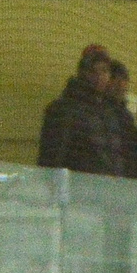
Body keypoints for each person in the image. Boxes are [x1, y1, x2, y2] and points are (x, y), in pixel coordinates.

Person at [38, 47, 125, 176]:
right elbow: (53, 157)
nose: (99, 77)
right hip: (76, 188)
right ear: (82, 73)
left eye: (104, 71)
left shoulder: (111, 111)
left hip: (108, 188)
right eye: (93, 71)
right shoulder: (64, 109)